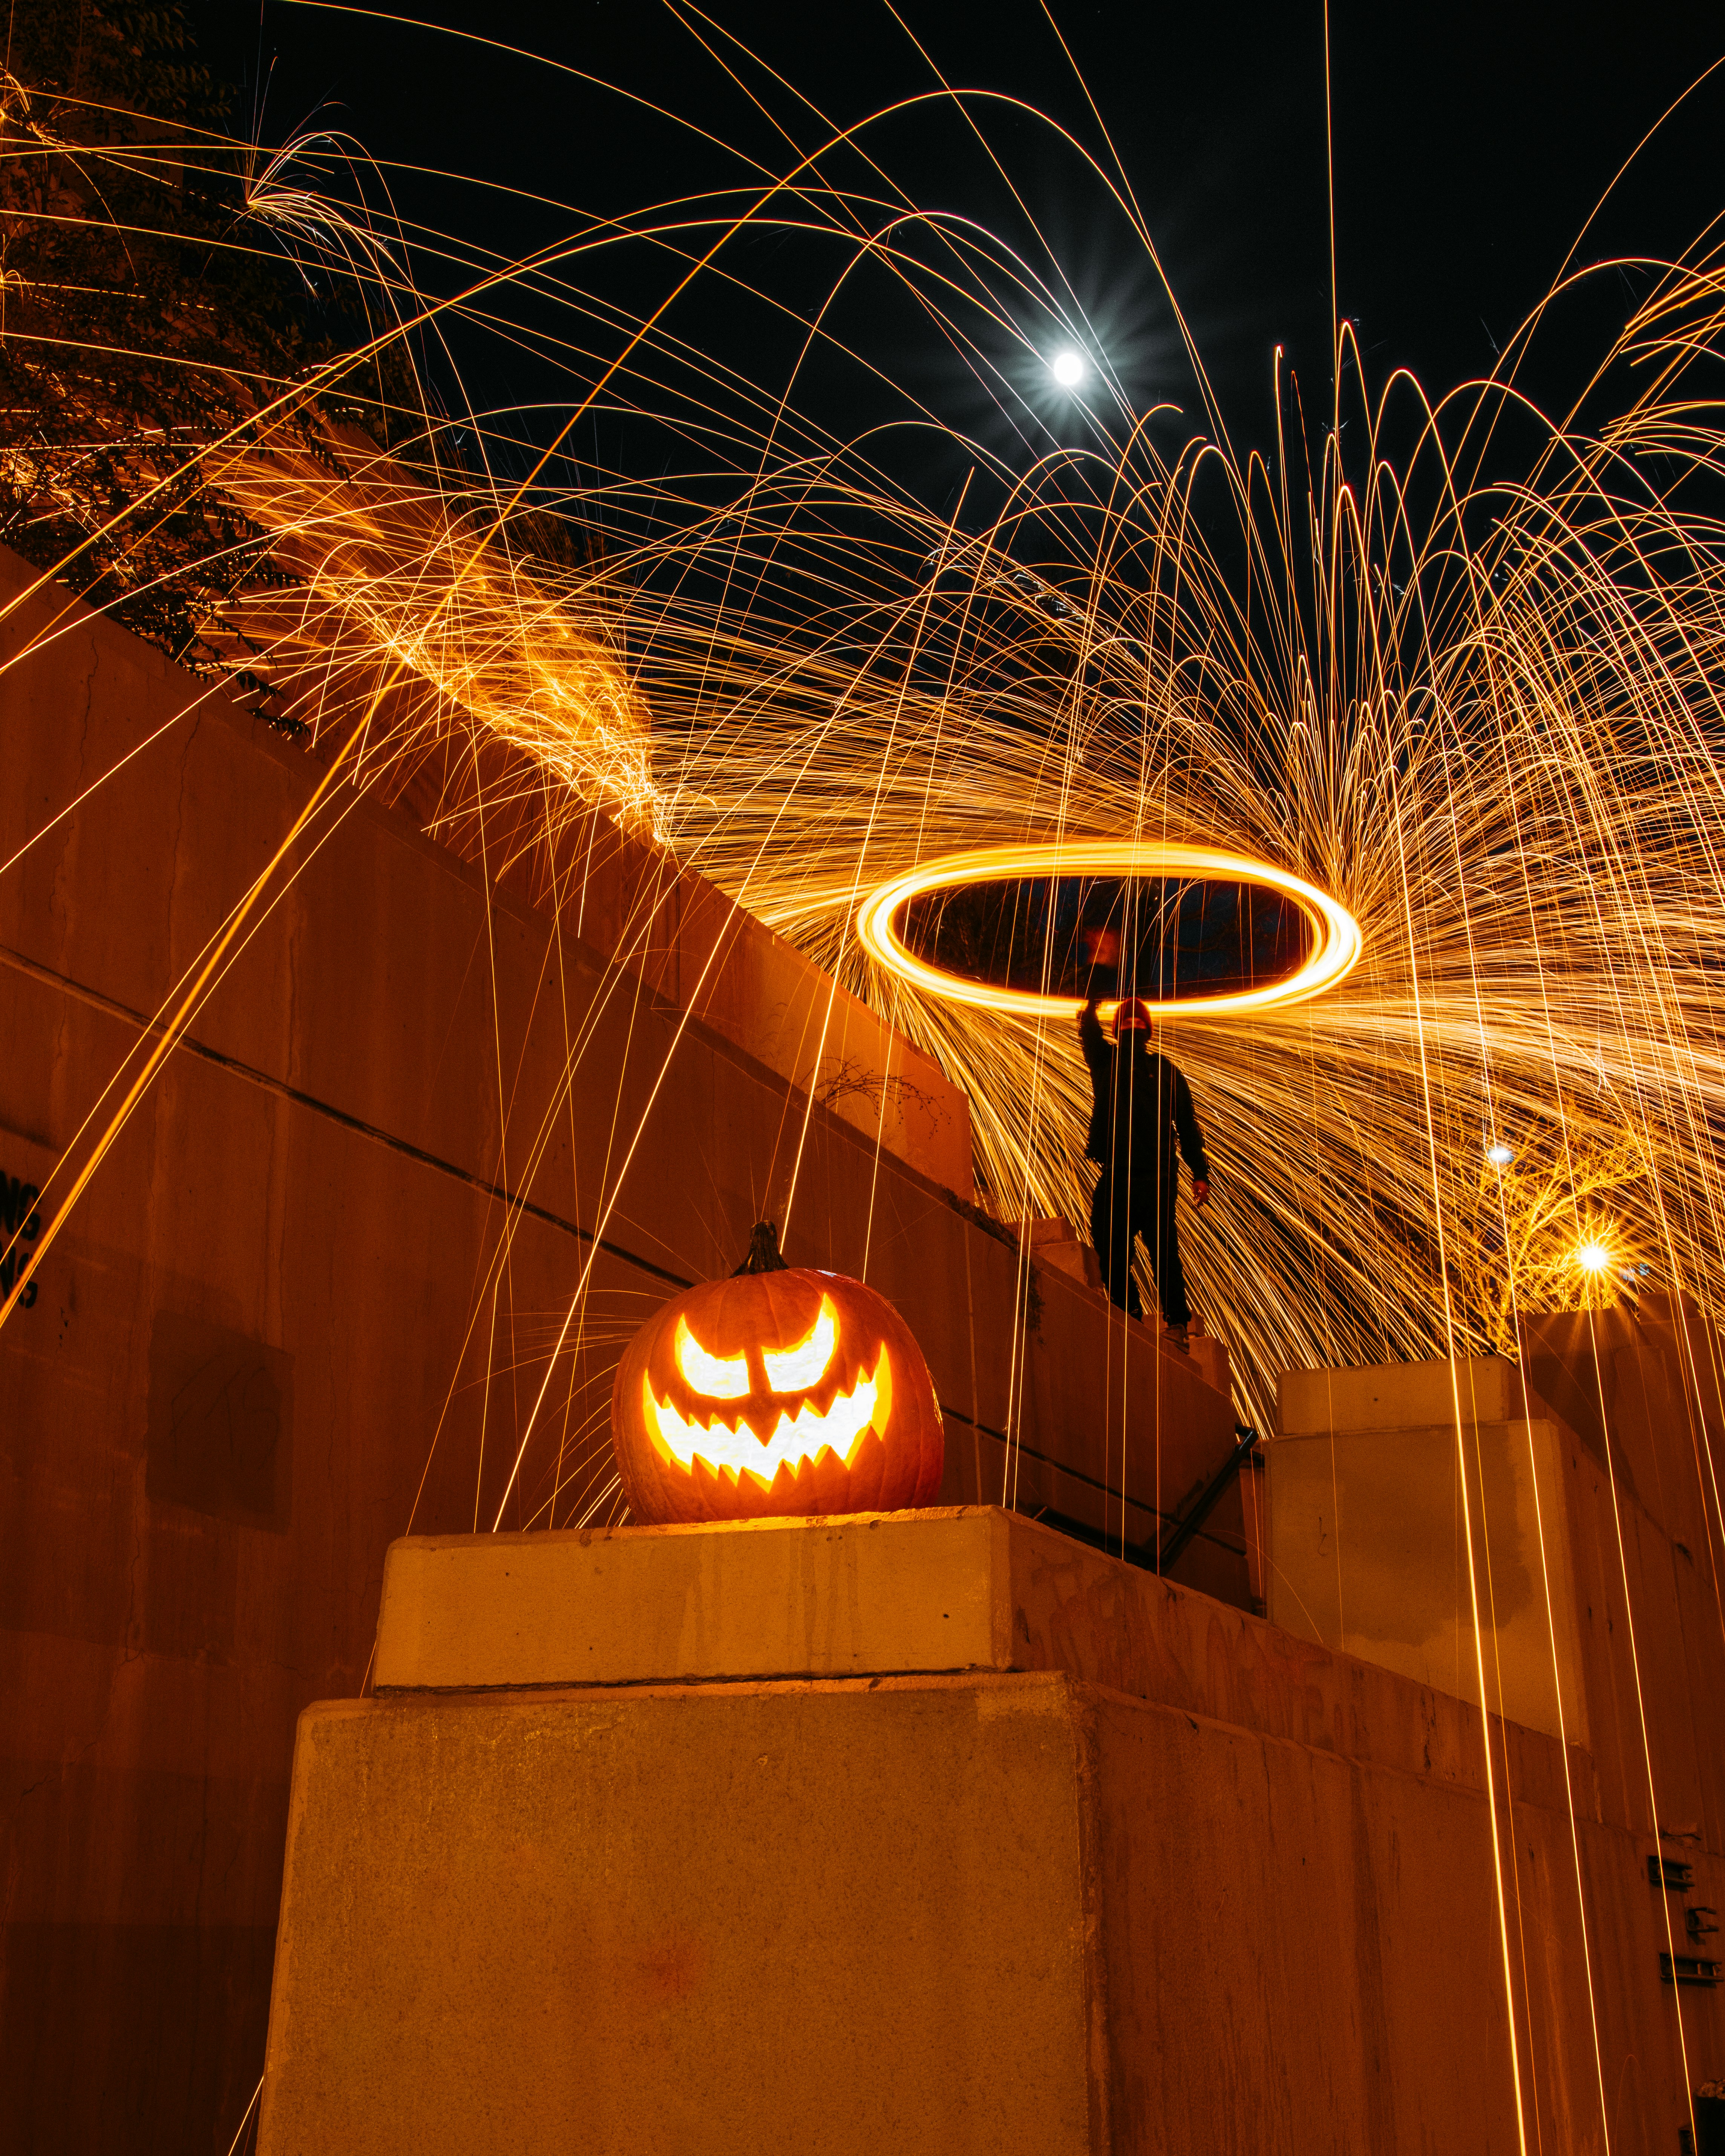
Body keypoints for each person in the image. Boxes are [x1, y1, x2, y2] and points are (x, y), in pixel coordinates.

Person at [1077, 940, 1211, 1347]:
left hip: (1134, 1173)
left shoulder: (1110, 1061)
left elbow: (1086, 1026)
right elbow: (1187, 1127)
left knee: (1120, 1243)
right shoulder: (1161, 1069)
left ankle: (1137, 1315)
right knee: (1157, 1246)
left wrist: (1097, 984)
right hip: (1148, 1173)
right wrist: (1199, 1173)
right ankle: (1162, 1320)